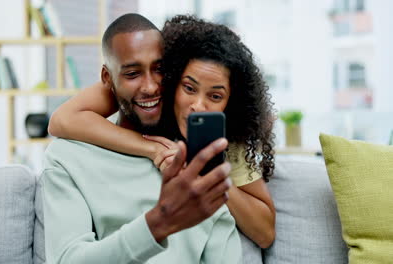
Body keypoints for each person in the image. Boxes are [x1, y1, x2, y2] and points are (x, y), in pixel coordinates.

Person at [49, 14, 277, 248]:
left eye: (215, 96)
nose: (198, 105)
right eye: (189, 88)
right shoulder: (142, 91)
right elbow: (61, 120)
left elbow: (265, 233)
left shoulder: (224, 134)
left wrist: (212, 174)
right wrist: (153, 148)